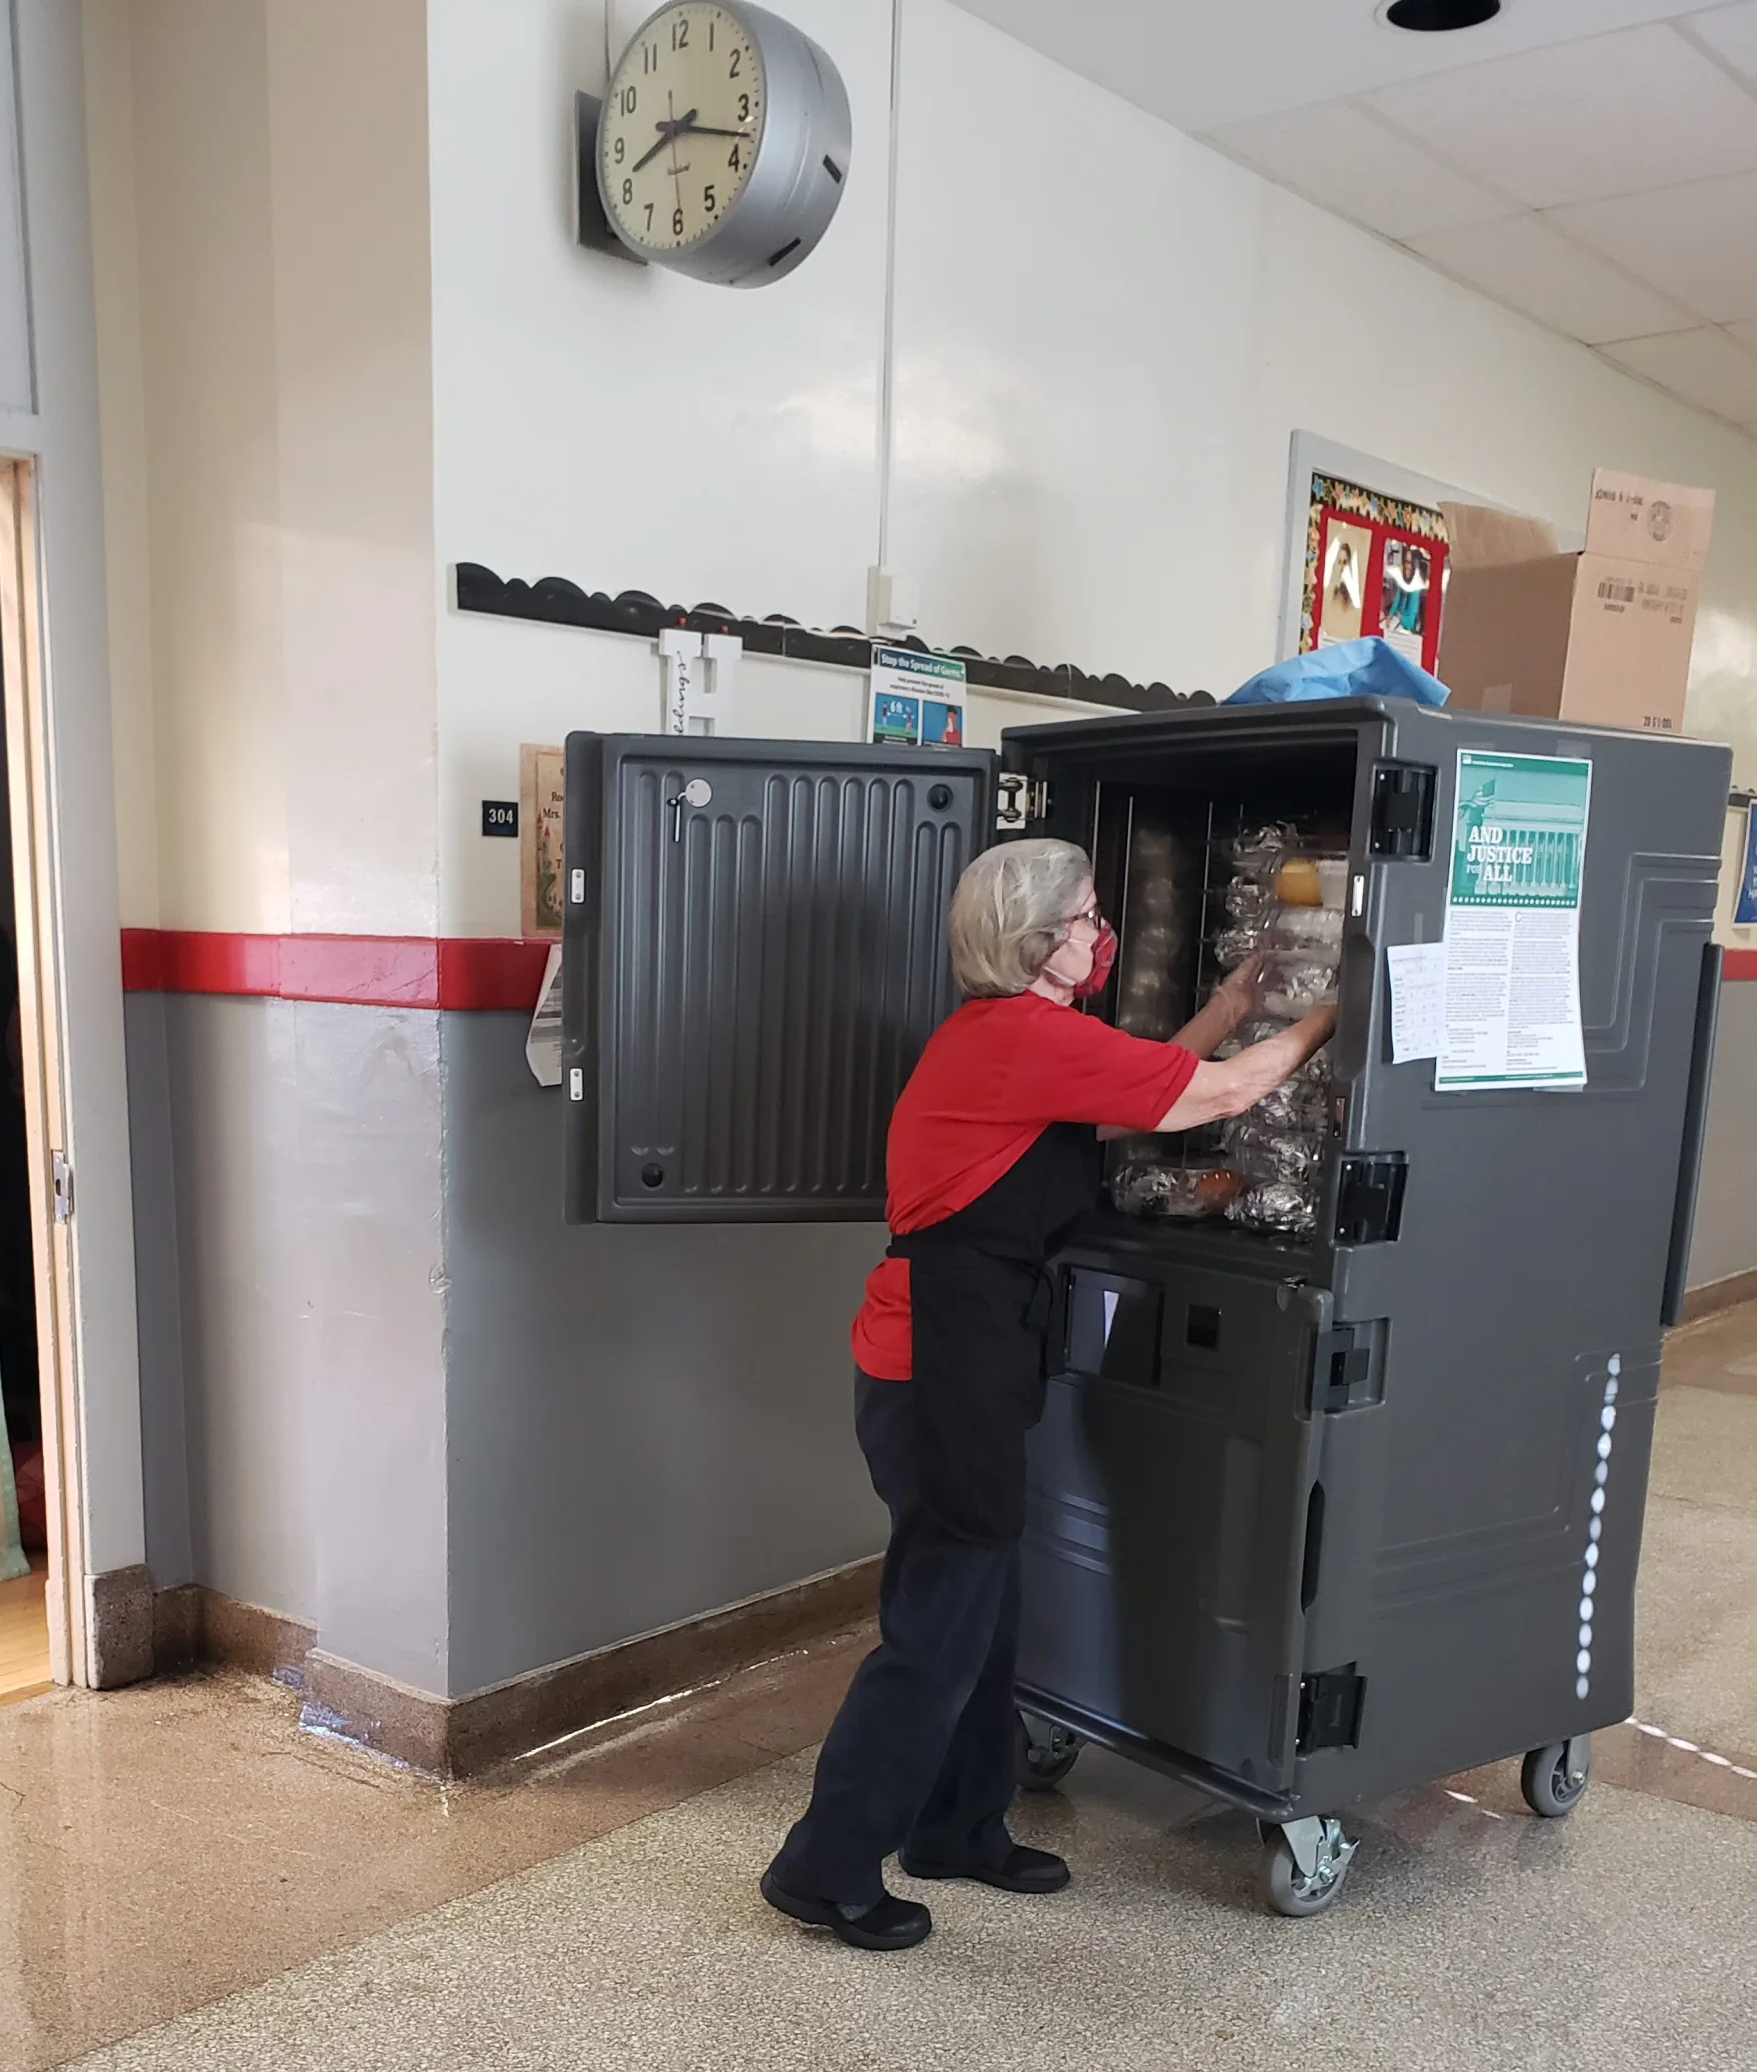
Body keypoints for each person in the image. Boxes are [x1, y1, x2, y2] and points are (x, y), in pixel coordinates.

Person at [762, 839, 1337, 1952]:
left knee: (986, 1610)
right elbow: (1213, 1093)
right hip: (936, 1361)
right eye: (1082, 918)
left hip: (969, 1347)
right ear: (1035, 941)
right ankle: (821, 1864)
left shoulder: (1021, 1039)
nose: (1097, 933)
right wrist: (1331, 1011)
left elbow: (1138, 1084)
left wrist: (1233, 995)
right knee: (935, 1624)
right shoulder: (1016, 1039)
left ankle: (958, 1825)